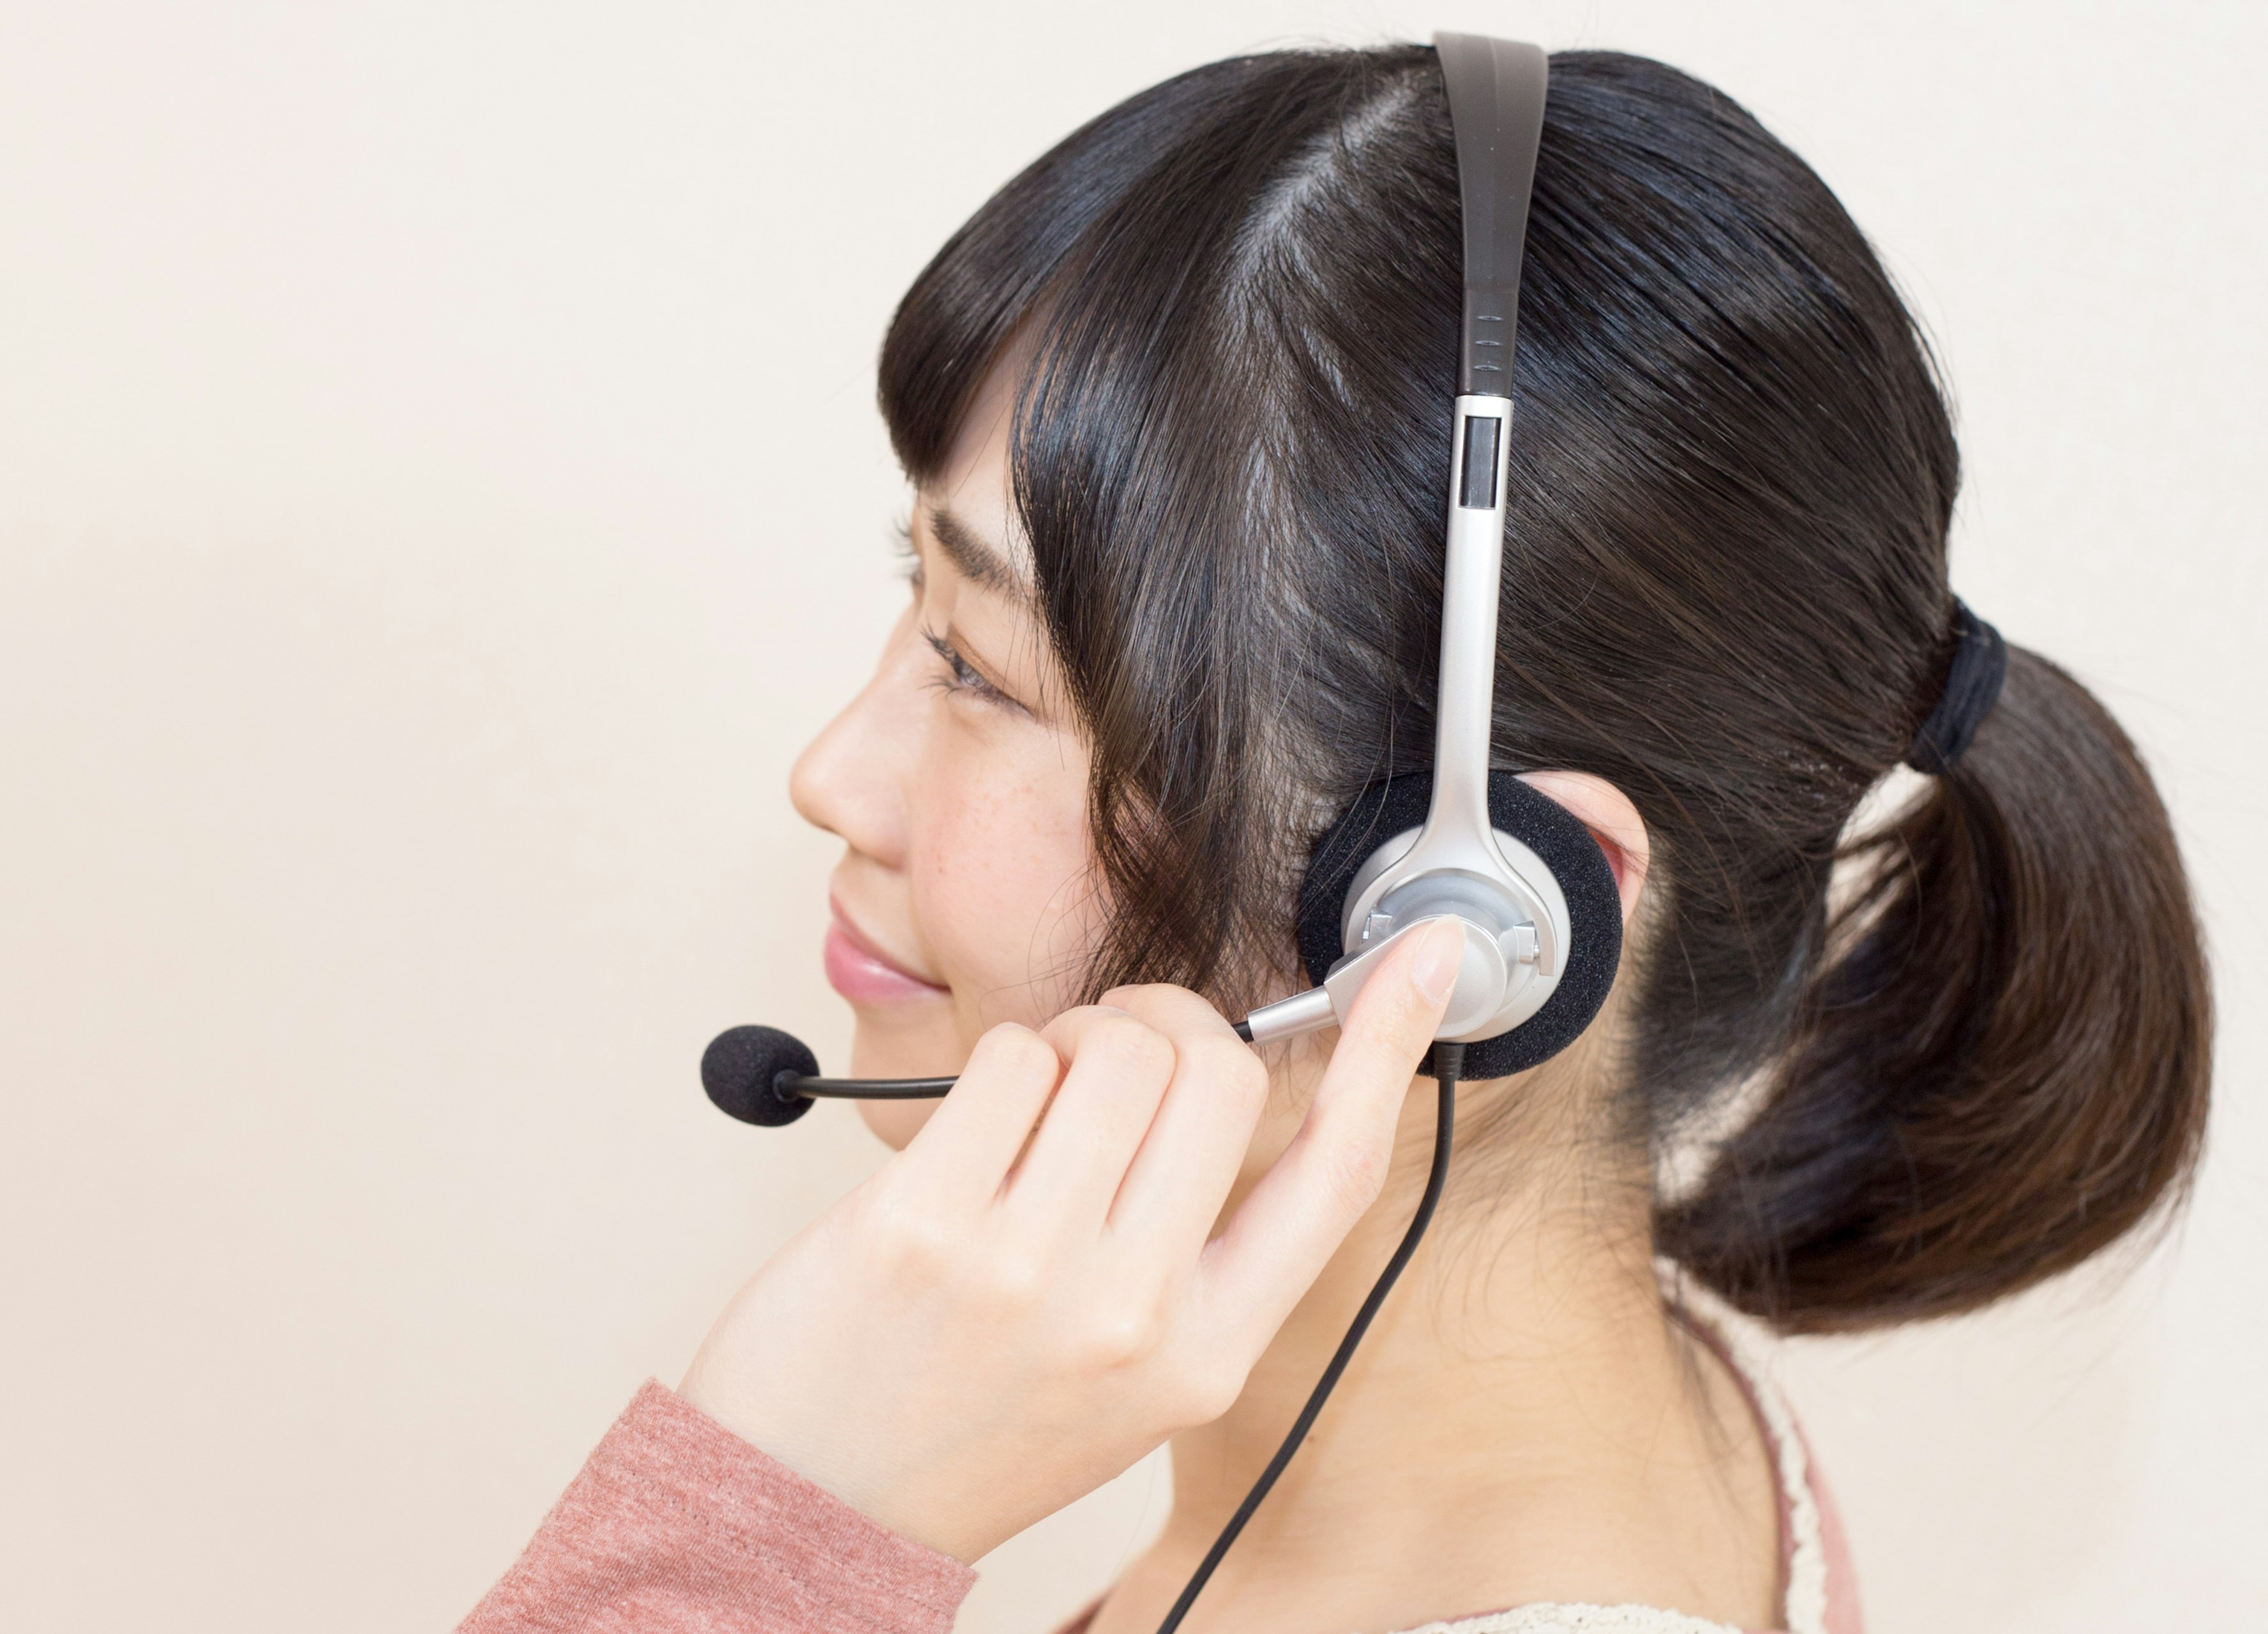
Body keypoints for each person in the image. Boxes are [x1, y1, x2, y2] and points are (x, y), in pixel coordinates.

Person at [458, 40, 2211, 1634]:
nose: (834, 774)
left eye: (979, 671)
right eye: (915, 602)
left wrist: (777, 1528)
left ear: (1466, 922)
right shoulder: (1606, 1443)